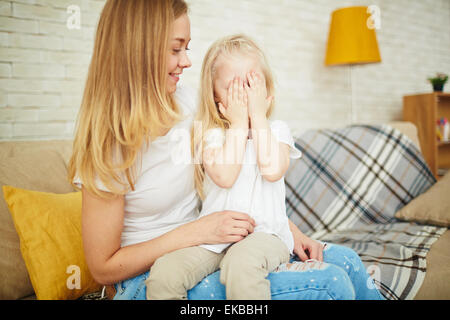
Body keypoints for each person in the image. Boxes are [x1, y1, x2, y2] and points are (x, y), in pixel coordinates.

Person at [68, 0, 384, 300]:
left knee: (345, 260)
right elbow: (103, 268)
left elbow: (246, 177)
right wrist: (198, 232)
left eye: (187, 48)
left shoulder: (190, 104)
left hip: (215, 241)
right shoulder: (109, 145)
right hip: (148, 274)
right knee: (330, 283)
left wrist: (289, 231)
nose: (187, 61)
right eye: (176, 49)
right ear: (137, 51)